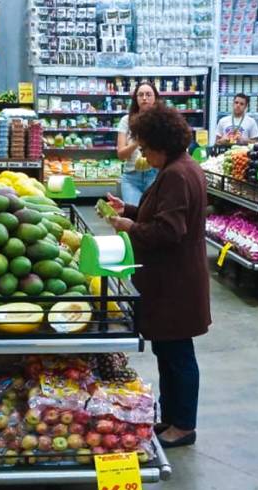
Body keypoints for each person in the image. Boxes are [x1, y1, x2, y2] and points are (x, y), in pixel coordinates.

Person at [103, 105, 211, 448]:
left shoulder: (177, 174)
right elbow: (161, 213)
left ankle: (184, 425)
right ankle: (172, 418)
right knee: (169, 353)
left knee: (178, 356)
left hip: (175, 283)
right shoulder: (179, 167)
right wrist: (130, 209)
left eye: (146, 148)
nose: (144, 155)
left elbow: (169, 230)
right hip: (173, 280)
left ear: (161, 144)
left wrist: (131, 226)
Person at [116, 82, 162, 205]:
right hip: (131, 177)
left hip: (155, 175)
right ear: (136, 99)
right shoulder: (126, 121)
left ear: (155, 98)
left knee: (151, 216)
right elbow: (121, 155)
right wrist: (137, 142)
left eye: (148, 94)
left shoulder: (163, 120)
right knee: (134, 214)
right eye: (140, 95)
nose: (144, 98)